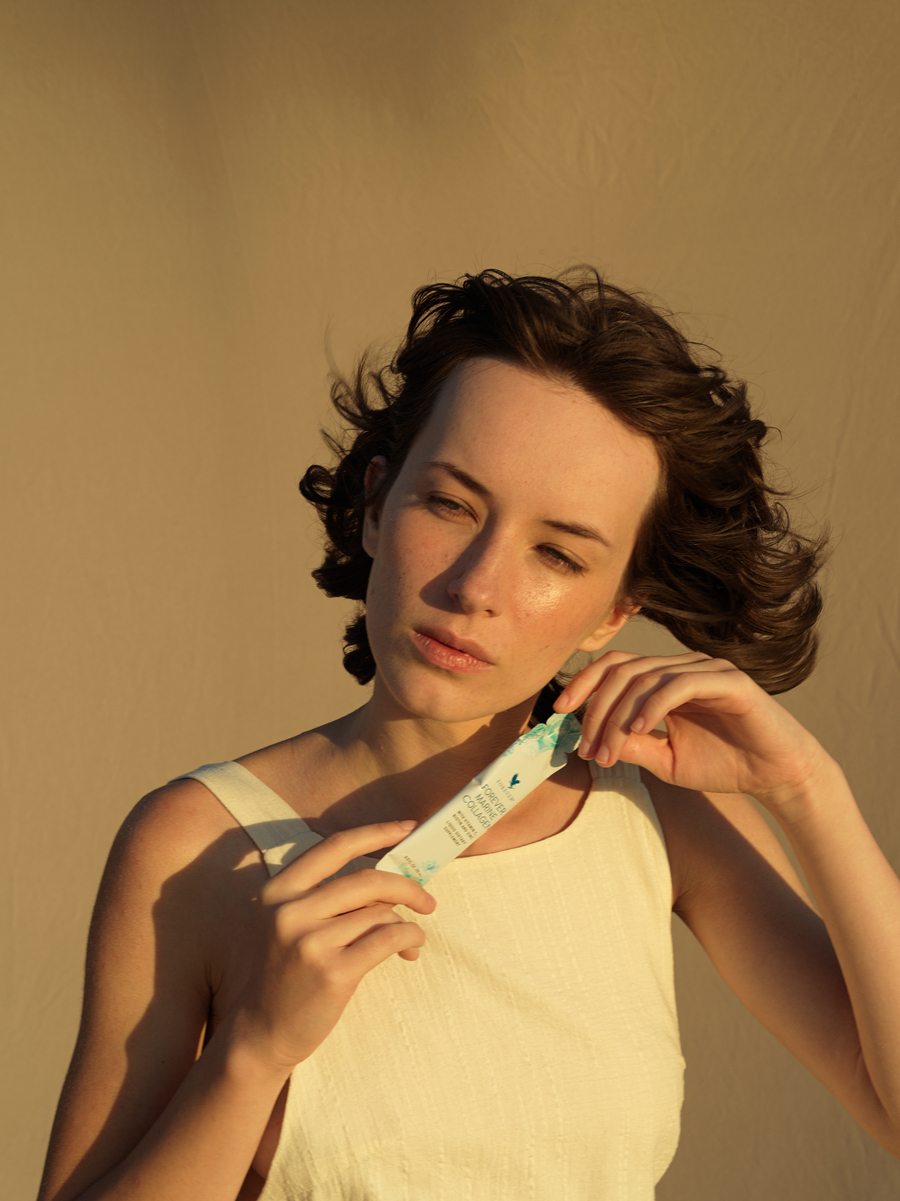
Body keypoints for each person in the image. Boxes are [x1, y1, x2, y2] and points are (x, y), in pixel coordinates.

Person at [38, 269, 900, 1201]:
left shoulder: (658, 807)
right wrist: (253, 1051)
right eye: (451, 504)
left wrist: (808, 788)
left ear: (615, 611)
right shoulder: (196, 847)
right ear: (376, 504)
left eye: (557, 553)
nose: (477, 585)